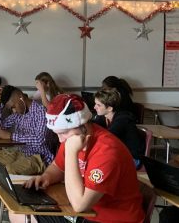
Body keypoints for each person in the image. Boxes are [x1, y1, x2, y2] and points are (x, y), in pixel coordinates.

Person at [9, 94, 145, 223]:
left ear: (84, 126)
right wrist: (46, 177)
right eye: (57, 134)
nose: (61, 139)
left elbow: (80, 205)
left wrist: (71, 153)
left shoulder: (107, 152)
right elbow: (58, 166)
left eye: (64, 133)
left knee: (22, 216)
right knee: (18, 210)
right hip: (88, 213)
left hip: (110, 219)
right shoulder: (71, 138)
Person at [0, 85, 54, 220]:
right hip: (22, 151)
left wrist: (11, 136)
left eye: (13, 106)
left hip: (39, 157)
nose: (13, 110)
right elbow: (1, 126)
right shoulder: (19, 113)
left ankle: (10, 208)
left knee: (10, 170)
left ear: (21, 98)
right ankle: (4, 199)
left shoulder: (40, 111)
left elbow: (40, 140)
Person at [93, 88, 144, 169]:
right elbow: (92, 128)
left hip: (132, 158)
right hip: (117, 154)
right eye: (95, 104)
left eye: (98, 105)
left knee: (99, 165)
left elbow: (107, 138)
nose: (94, 107)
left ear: (110, 108)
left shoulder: (123, 119)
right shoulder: (103, 117)